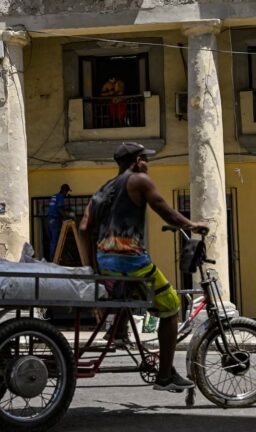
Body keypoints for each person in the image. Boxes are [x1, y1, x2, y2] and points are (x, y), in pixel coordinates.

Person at [79, 141, 207, 391]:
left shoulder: (103, 190)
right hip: (131, 261)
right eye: (145, 159)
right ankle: (164, 377)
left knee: (135, 297)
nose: (147, 164)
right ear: (137, 161)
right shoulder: (139, 180)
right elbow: (164, 210)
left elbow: (84, 227)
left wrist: (91, 267)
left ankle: (125, 336)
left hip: (107, 263)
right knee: (171, 307)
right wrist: (192, 225)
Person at [46, 184, 72, 261]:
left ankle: (53, 257)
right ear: (64, 190)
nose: (67, 194)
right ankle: (54, 258)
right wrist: (67, 216)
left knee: (52, 241)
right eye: (67, 192)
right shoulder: (60, 197)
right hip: (54, 220)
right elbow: (59, 209)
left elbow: (55, 207)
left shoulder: (54, 196)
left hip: (49, 220)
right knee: (55, 240)